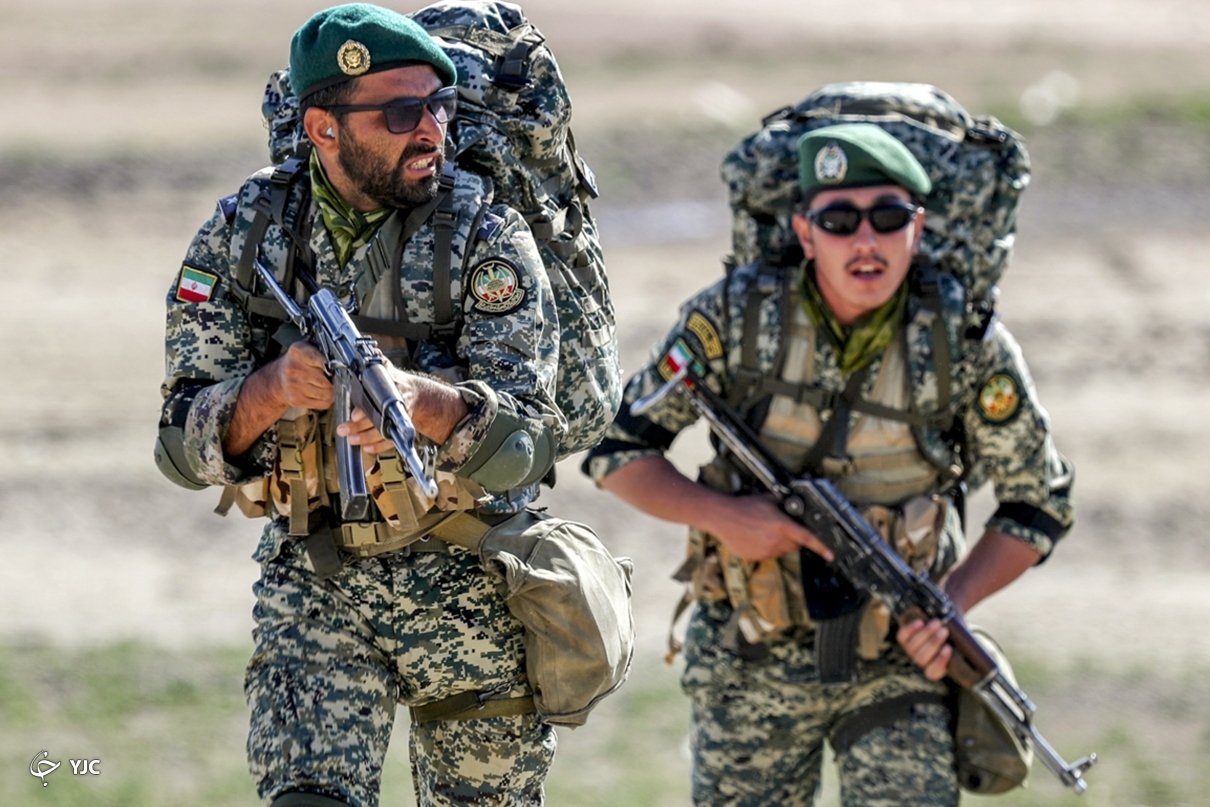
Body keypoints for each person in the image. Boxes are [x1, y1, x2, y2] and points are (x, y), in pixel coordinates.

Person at [584, 123, 1074, 806]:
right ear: (805, 231)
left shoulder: (963, 342)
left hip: (900, 664)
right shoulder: (734, 318)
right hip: (750, 652)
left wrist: (949, 609)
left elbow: (1039, 502)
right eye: (840, 221)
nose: (866, 241)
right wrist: (729, 517)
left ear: (919, 227)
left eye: (889, 217)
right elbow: (615, 453)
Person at [156, 5, 569, 806]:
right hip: (315, 583)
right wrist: (268, 390)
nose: (431, 133)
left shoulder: (484, 236)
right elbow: (178, 446)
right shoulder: (250, 232)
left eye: (440, 107)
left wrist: (427, 404)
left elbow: (532, 445)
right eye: (402, 112)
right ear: (323, 127)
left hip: (469, 591)